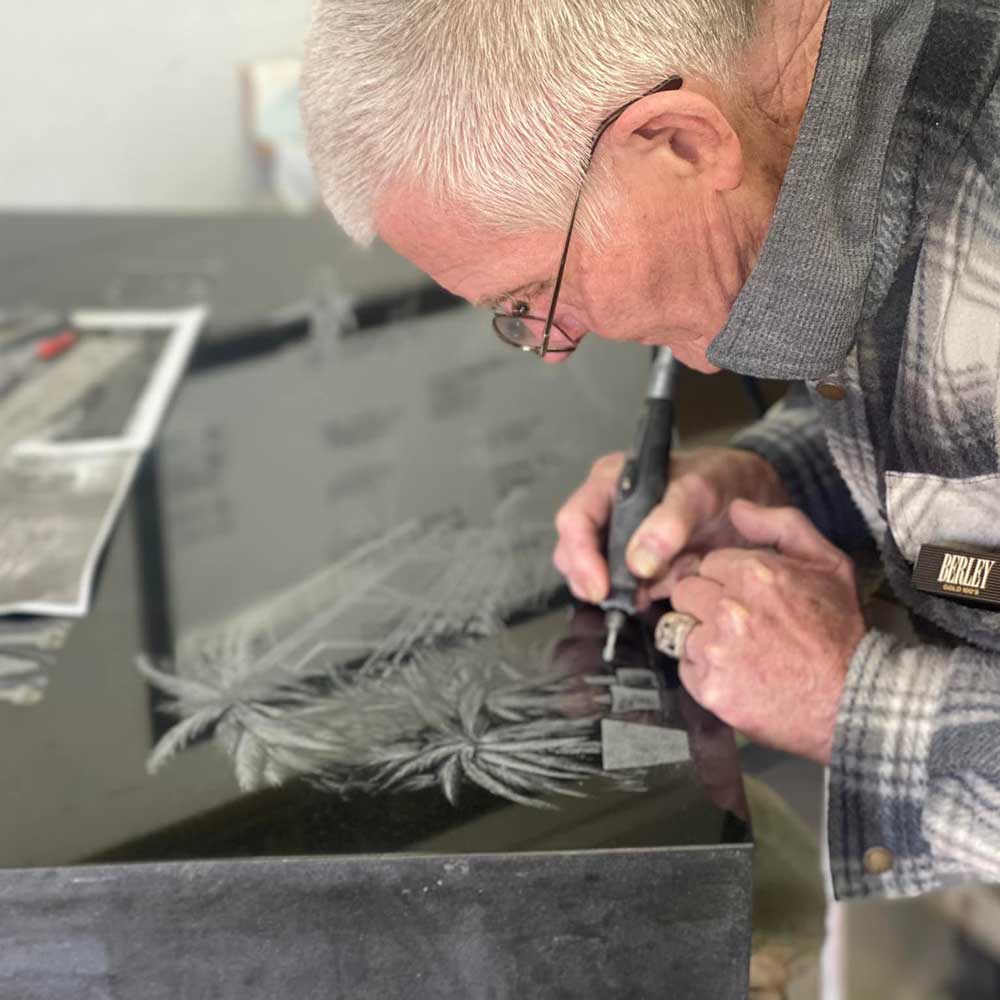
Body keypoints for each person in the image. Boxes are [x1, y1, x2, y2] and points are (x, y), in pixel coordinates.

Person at [301, 0, 1000, 903]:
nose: (550, 348)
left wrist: (849, 701)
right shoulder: (848, 145)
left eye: (533, 291)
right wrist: (773, 475)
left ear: (681, 141)